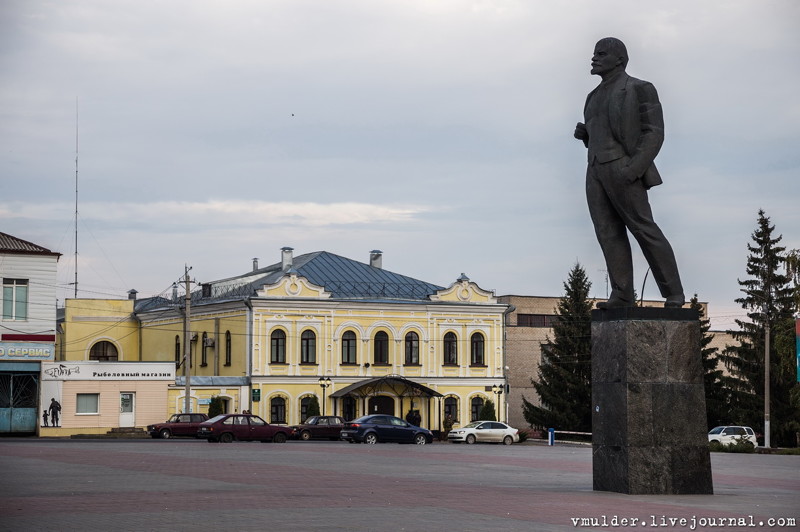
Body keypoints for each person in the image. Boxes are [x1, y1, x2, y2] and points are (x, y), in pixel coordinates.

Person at [574, 37, 684, 309]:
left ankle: (674, 293)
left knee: (644, 229)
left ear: (619, 59)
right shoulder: (592, 96)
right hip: (595, 171)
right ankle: (622, 294)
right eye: (594, 53)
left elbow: (654, 132)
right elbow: (605, 131)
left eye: (601, 54)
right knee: (607, 233)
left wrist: (633, 169)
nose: (594, 58)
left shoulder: (639, 88)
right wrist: (586, 135)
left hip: (624, 168)